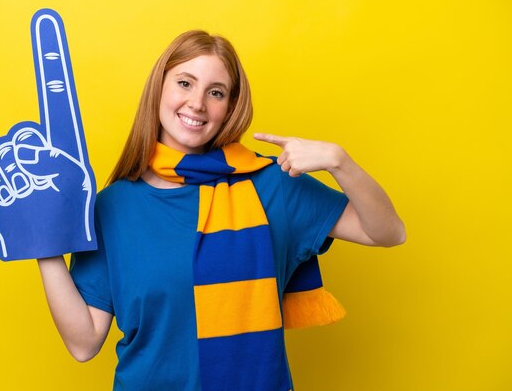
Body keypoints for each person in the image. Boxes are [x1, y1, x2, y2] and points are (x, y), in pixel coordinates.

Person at [37, 30, 406, 390]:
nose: (197, 103)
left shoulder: (271, 184)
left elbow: (388, 232)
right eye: (184, 83)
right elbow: (84, 343)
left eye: (216, 93)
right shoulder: (113, 206)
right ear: (159, 89)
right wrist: (40, 244)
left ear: (229, 107)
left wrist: (340, 162)